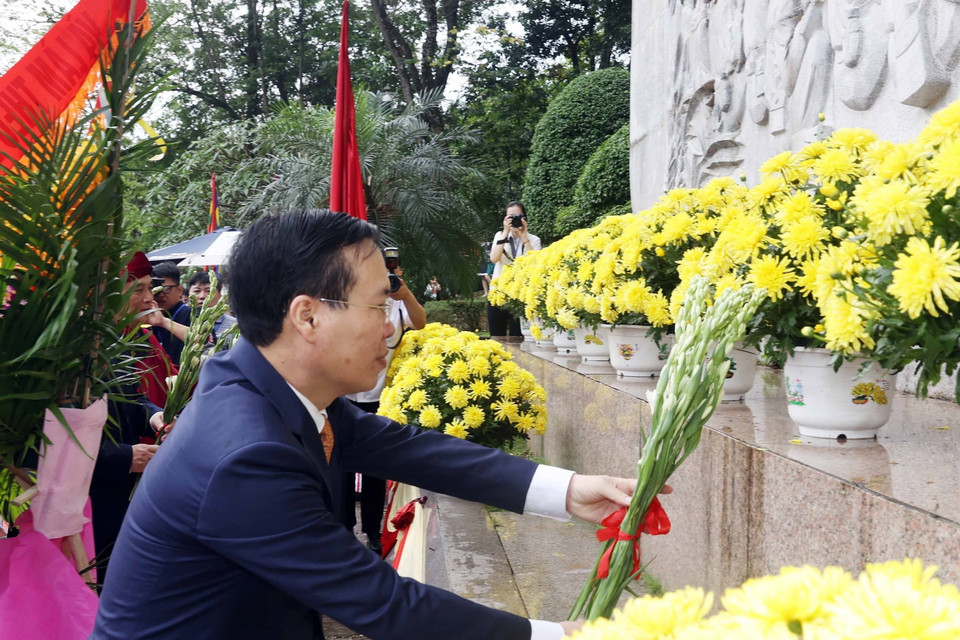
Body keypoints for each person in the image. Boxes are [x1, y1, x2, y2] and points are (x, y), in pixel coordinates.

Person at [92, 210, 639, 640]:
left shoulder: (267, 387)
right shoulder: (244, 455)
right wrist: (559, 636)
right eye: (380, 306)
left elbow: (409, 447)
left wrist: (570, 491)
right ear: (307, 316)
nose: (390, 328)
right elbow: (382, 604)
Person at [89, 251, 170, 584]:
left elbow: (133, 399)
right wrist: (125, 456)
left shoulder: (118, 344)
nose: (149, 298)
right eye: (139, 289)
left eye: (150, 288)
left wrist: (155, 417)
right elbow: (43, 440)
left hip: (121, 492)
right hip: (86, 501)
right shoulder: (75, 352)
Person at [341, 260, 426, 556]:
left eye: (390, 273)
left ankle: (374, 532)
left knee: (375, 469)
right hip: (344, 396)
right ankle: (344, 530)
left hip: (381, 397)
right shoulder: (349, 298)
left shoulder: (397, 304)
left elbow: (420, 322)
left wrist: (406, 295)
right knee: (341, 469)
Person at [488, 201, 541, 336]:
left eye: (518, 216)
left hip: (520, 295)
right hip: (498, 293)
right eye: (510, 217)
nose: (514, 220)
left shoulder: (533, 240)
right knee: (496, 336)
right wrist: (505, 233)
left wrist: (524, 238)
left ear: (524, 218)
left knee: (518, 336)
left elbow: (534, 264)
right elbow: (494, 258)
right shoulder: (500, 236)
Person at [151, 261, 192, 365]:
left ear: (179, 290)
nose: (160, 295)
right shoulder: (147, 318)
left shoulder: (192, 314)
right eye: (155, 289)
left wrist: (164, 322)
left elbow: (202, 340)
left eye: (166, 289)